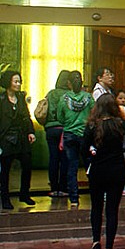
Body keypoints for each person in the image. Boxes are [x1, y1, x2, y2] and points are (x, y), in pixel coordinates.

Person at [82, 93, 125, 249]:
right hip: (116, 169)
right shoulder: (119, 124)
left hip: (98, 169)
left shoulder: (92, 125)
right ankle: (109, 247)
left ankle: (95, 240)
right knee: (112, 209)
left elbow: (83, 148)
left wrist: (92, 154)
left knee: (96, 207)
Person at [0, 70, 36, 209]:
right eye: (15, 81)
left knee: (27, 165)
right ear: (8, 82)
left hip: (21, 137)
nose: (18, 84)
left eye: (19, 81)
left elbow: (26, 116)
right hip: (6, 137)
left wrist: (31, 132)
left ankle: (24, 194)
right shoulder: (2, 99)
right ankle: (5, 198)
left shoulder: (20, 98)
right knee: (5, 170)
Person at [59, 70, 93, 208]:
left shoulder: (64, 98)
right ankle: (95, 193)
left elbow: (60, 117)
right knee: (89, 166)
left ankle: (74, 198)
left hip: (69, 135)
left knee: (72, 167)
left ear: (69, 83)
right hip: (85, 135)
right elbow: (94, 113)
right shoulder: (88, 97)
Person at [43, 70, 71, 198]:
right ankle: (63, 188)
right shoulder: (69, 95)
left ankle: (54, 188)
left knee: (53, 158)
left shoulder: (51, 93)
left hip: (51, 129)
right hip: (64, 129)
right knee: (65, 159)